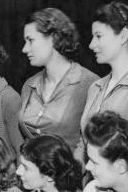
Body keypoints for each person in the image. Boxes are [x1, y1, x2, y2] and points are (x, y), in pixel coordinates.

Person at [77, 1, 128, 162]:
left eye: (98, 36)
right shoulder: (95, 87)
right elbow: (83, 145)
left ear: (123, 36)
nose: (91, 44)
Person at [19, 8, 98, 150]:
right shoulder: (29, 85)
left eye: (30, 40)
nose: (24, 49)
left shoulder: (90, 84)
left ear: (53, 37)